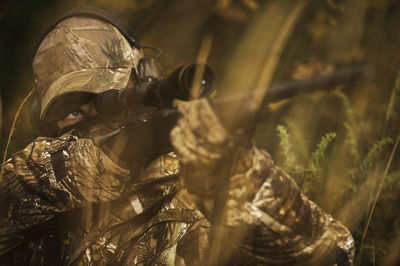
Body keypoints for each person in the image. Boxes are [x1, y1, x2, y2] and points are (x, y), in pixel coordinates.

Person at [0, 10, 355, 265]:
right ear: (46, 124)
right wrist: (102, 161)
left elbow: (336, 253)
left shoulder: (200, 186)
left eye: (109, 98)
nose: (96, 118)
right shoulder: (38, 189)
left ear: (146, 84)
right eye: (75, 111)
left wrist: (241, 179)